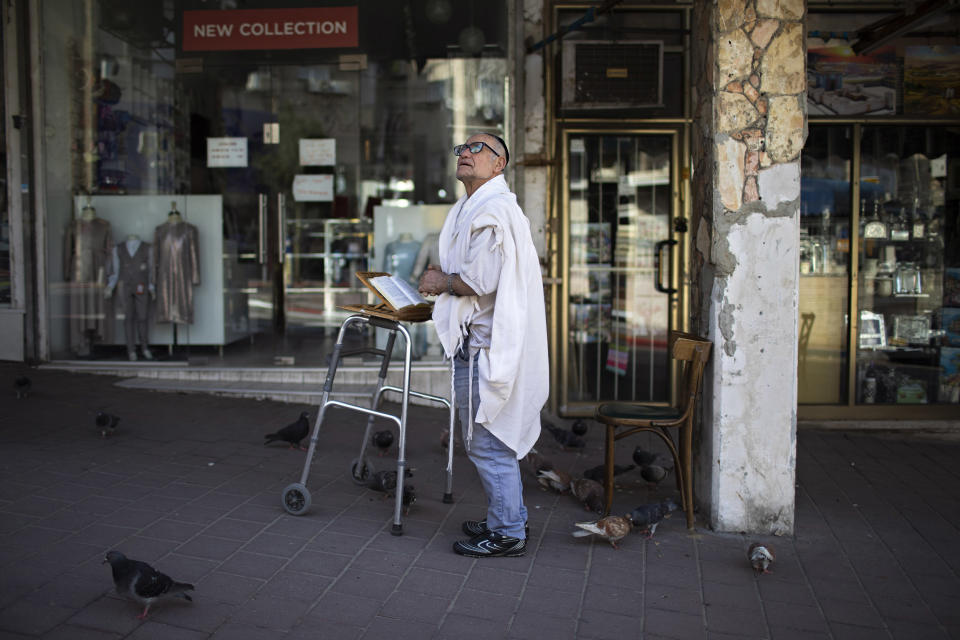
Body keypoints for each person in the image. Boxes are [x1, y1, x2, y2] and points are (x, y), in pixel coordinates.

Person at [418, 132, 549, 558]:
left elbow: (481, 280)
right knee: (487, 440)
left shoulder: (494, 208)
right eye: (461, 149)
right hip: (475, 344)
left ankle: (508, 530)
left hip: (486, 348)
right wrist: (447, 277)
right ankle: (508, 515)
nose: (465, 154)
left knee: (488, 441)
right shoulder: (471, 207)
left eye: (478, 149)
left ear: (499, 165)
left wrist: (441, 281)